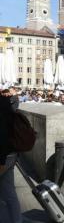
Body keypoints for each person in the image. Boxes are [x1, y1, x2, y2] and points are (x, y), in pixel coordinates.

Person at [0, 92, 22, 223]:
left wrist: (1, 162)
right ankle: (16, 220)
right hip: (11, 154)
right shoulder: (7, 104)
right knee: (9, 193)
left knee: (8, 193)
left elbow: (2, 136)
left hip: (4, 157)